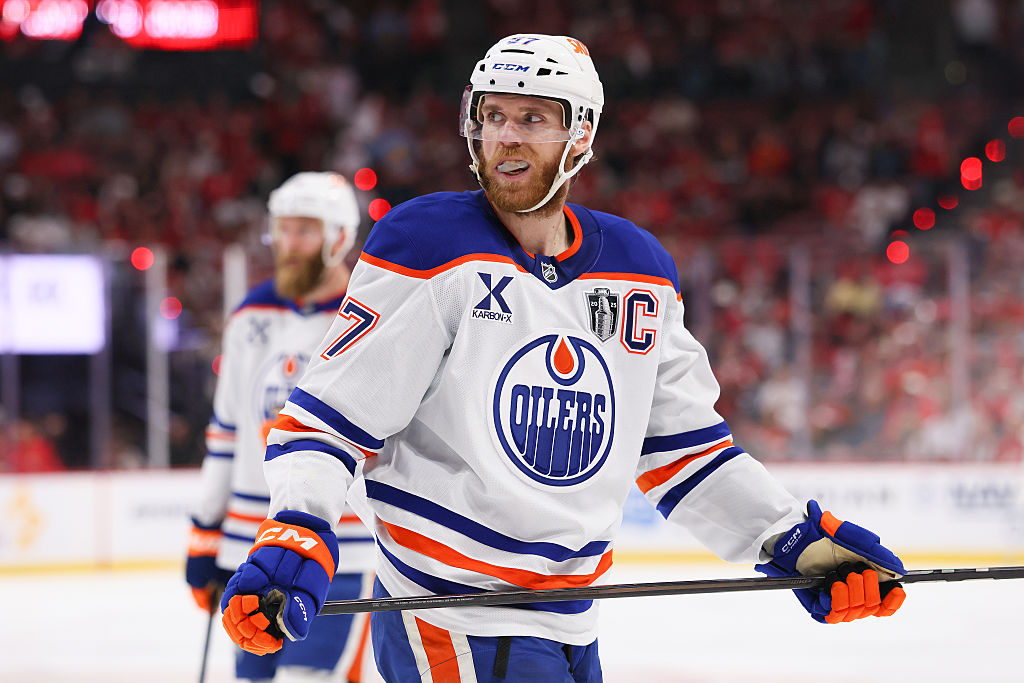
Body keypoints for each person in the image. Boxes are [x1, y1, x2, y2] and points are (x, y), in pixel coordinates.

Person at [219, 35, 907, 682]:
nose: (507, 135)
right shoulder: (428, 245)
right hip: (450, 619)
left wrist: (792, 540)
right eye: (494, 115)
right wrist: (300, 525)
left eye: (534, 117)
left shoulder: (640, 270)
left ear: (581, 134)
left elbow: (687, 455)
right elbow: (328, 420)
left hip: (576, 624)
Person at [186, 172, 381, 682]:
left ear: (339, 237)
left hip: (341, 552)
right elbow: (225, 434)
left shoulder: (372, 316)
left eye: (304, 231)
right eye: (283, 230)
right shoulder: (251, 317)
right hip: (253, 547)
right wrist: (206, 535)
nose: (289, 245)